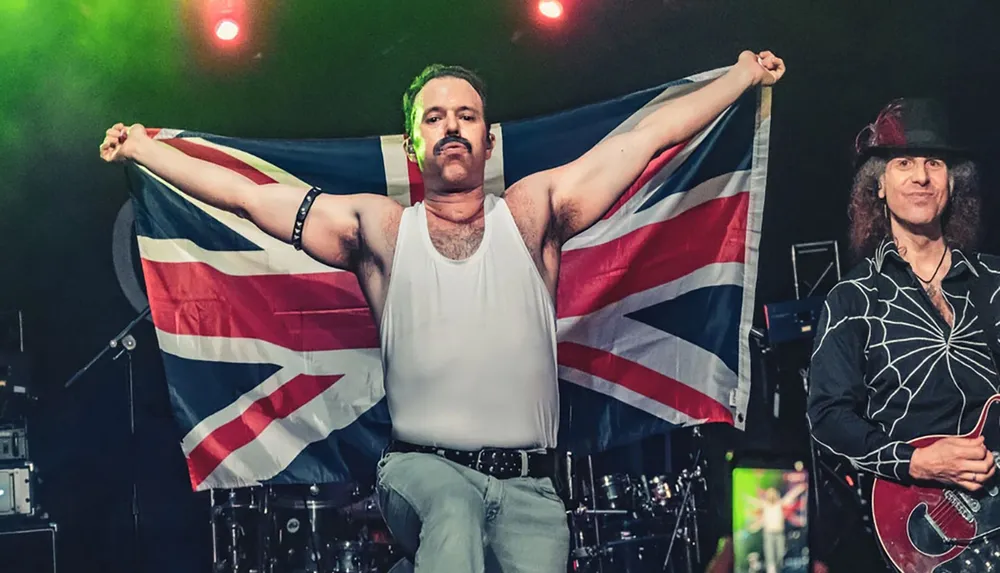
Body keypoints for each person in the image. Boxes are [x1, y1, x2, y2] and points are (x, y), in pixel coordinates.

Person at [100, 50, 785, 572]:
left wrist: (741, 76)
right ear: (413, 146)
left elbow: (644, 141)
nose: (451, 127)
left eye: (466, 116)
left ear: (488, 141)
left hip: (531, 491)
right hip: (421, 473)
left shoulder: (532, 212)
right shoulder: (381, 231)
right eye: (434, 117)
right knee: (452, 510)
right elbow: (251, 199)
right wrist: (145, 149)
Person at [807, 98, 1000, 498]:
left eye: (934, 162)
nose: (921, 178)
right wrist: (917, 461)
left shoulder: (994, 280)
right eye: (904, 163)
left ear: (952, 182)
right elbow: (828, 417)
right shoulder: (852, 298)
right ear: (877, 184)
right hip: (916, 520)